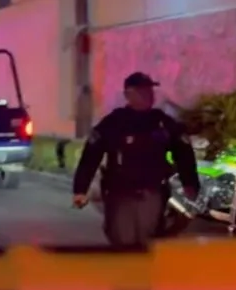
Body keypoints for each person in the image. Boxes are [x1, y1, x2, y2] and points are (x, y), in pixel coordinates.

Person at [72, 72, 201, 247]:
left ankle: (144, 273)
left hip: (152, 193)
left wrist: (190, 183)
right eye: (142, 92)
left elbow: (184, 152)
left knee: (149, 242)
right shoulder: (115, 122)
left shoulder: (161, 123)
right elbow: (91, 154)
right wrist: (81, 189)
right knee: (122, 240)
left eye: (150, 91)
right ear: (128, 95)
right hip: (120, 193)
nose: (148, 96)